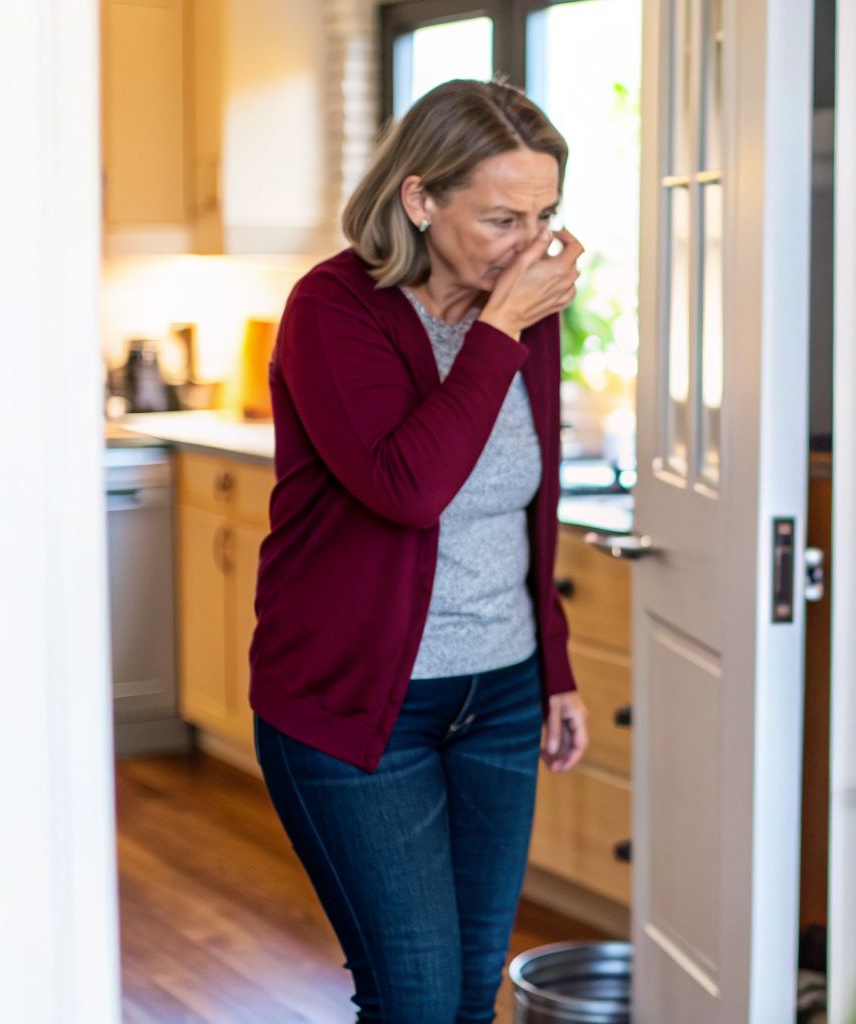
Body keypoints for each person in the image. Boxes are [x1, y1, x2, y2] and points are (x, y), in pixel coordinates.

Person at [247, 78, 591, 1024]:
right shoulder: (333, 309)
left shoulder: (524, 314)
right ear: (421, 199)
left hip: (502, 693)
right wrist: (499, 329)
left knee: (471, 995)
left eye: (546, 216)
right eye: (502, 219)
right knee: (415, 999)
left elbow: (530, 506)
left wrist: (554, 667)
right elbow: (408, 488)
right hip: (360, 701)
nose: (530, 245)